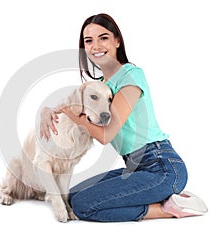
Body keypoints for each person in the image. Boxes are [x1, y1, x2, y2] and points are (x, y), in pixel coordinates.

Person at [39, 13, 208, 222]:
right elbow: (70, 106)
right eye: (88, 41)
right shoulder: (100, 86)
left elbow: (105, 135)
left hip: (161, 165)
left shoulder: (130, 76)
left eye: (103, 38)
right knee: (72, 198)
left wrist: (76, 117)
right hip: (135, 166)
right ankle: (159, 197)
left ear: (117, 41)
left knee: (84, 206)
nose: (96, 46)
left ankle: (168, 208)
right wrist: (46, 111)